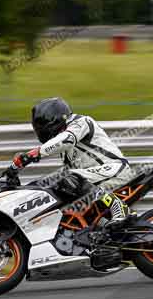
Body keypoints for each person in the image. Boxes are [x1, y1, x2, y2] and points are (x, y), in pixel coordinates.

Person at [11, 97, 134, 227]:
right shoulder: (65, 149)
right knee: (59, 186)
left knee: (72, 178)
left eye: (41, 125)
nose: (39, 130)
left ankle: (119, 207)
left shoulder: (81, 122)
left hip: (115, 170)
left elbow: (66, 139)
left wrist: (34, 153)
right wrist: (32, 185)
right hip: (94, 178)